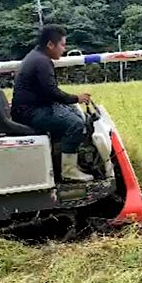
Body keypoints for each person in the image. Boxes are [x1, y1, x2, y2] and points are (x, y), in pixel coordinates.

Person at [10, 24, 93, 182]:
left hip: (28, 108)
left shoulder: (36, 57)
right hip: (30, 112)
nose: (64, 49)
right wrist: (76, 98)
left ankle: (65, 161)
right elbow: (52, 92)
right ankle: (68, 171)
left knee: (72, 112)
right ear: (50, 45)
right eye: (62, 45)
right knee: (75, 123)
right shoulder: (42, 62)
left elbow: (49, 92)